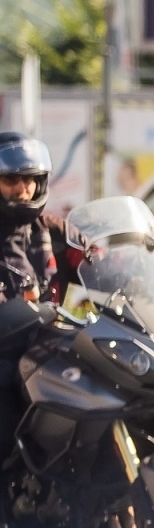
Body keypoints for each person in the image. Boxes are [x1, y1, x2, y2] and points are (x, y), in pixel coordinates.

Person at [0, 132, 56, 453]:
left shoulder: (45, 227)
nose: (23, 189)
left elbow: (94, 255)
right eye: (11, 180)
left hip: (45, 346)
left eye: (30, 179)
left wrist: (123, 265)